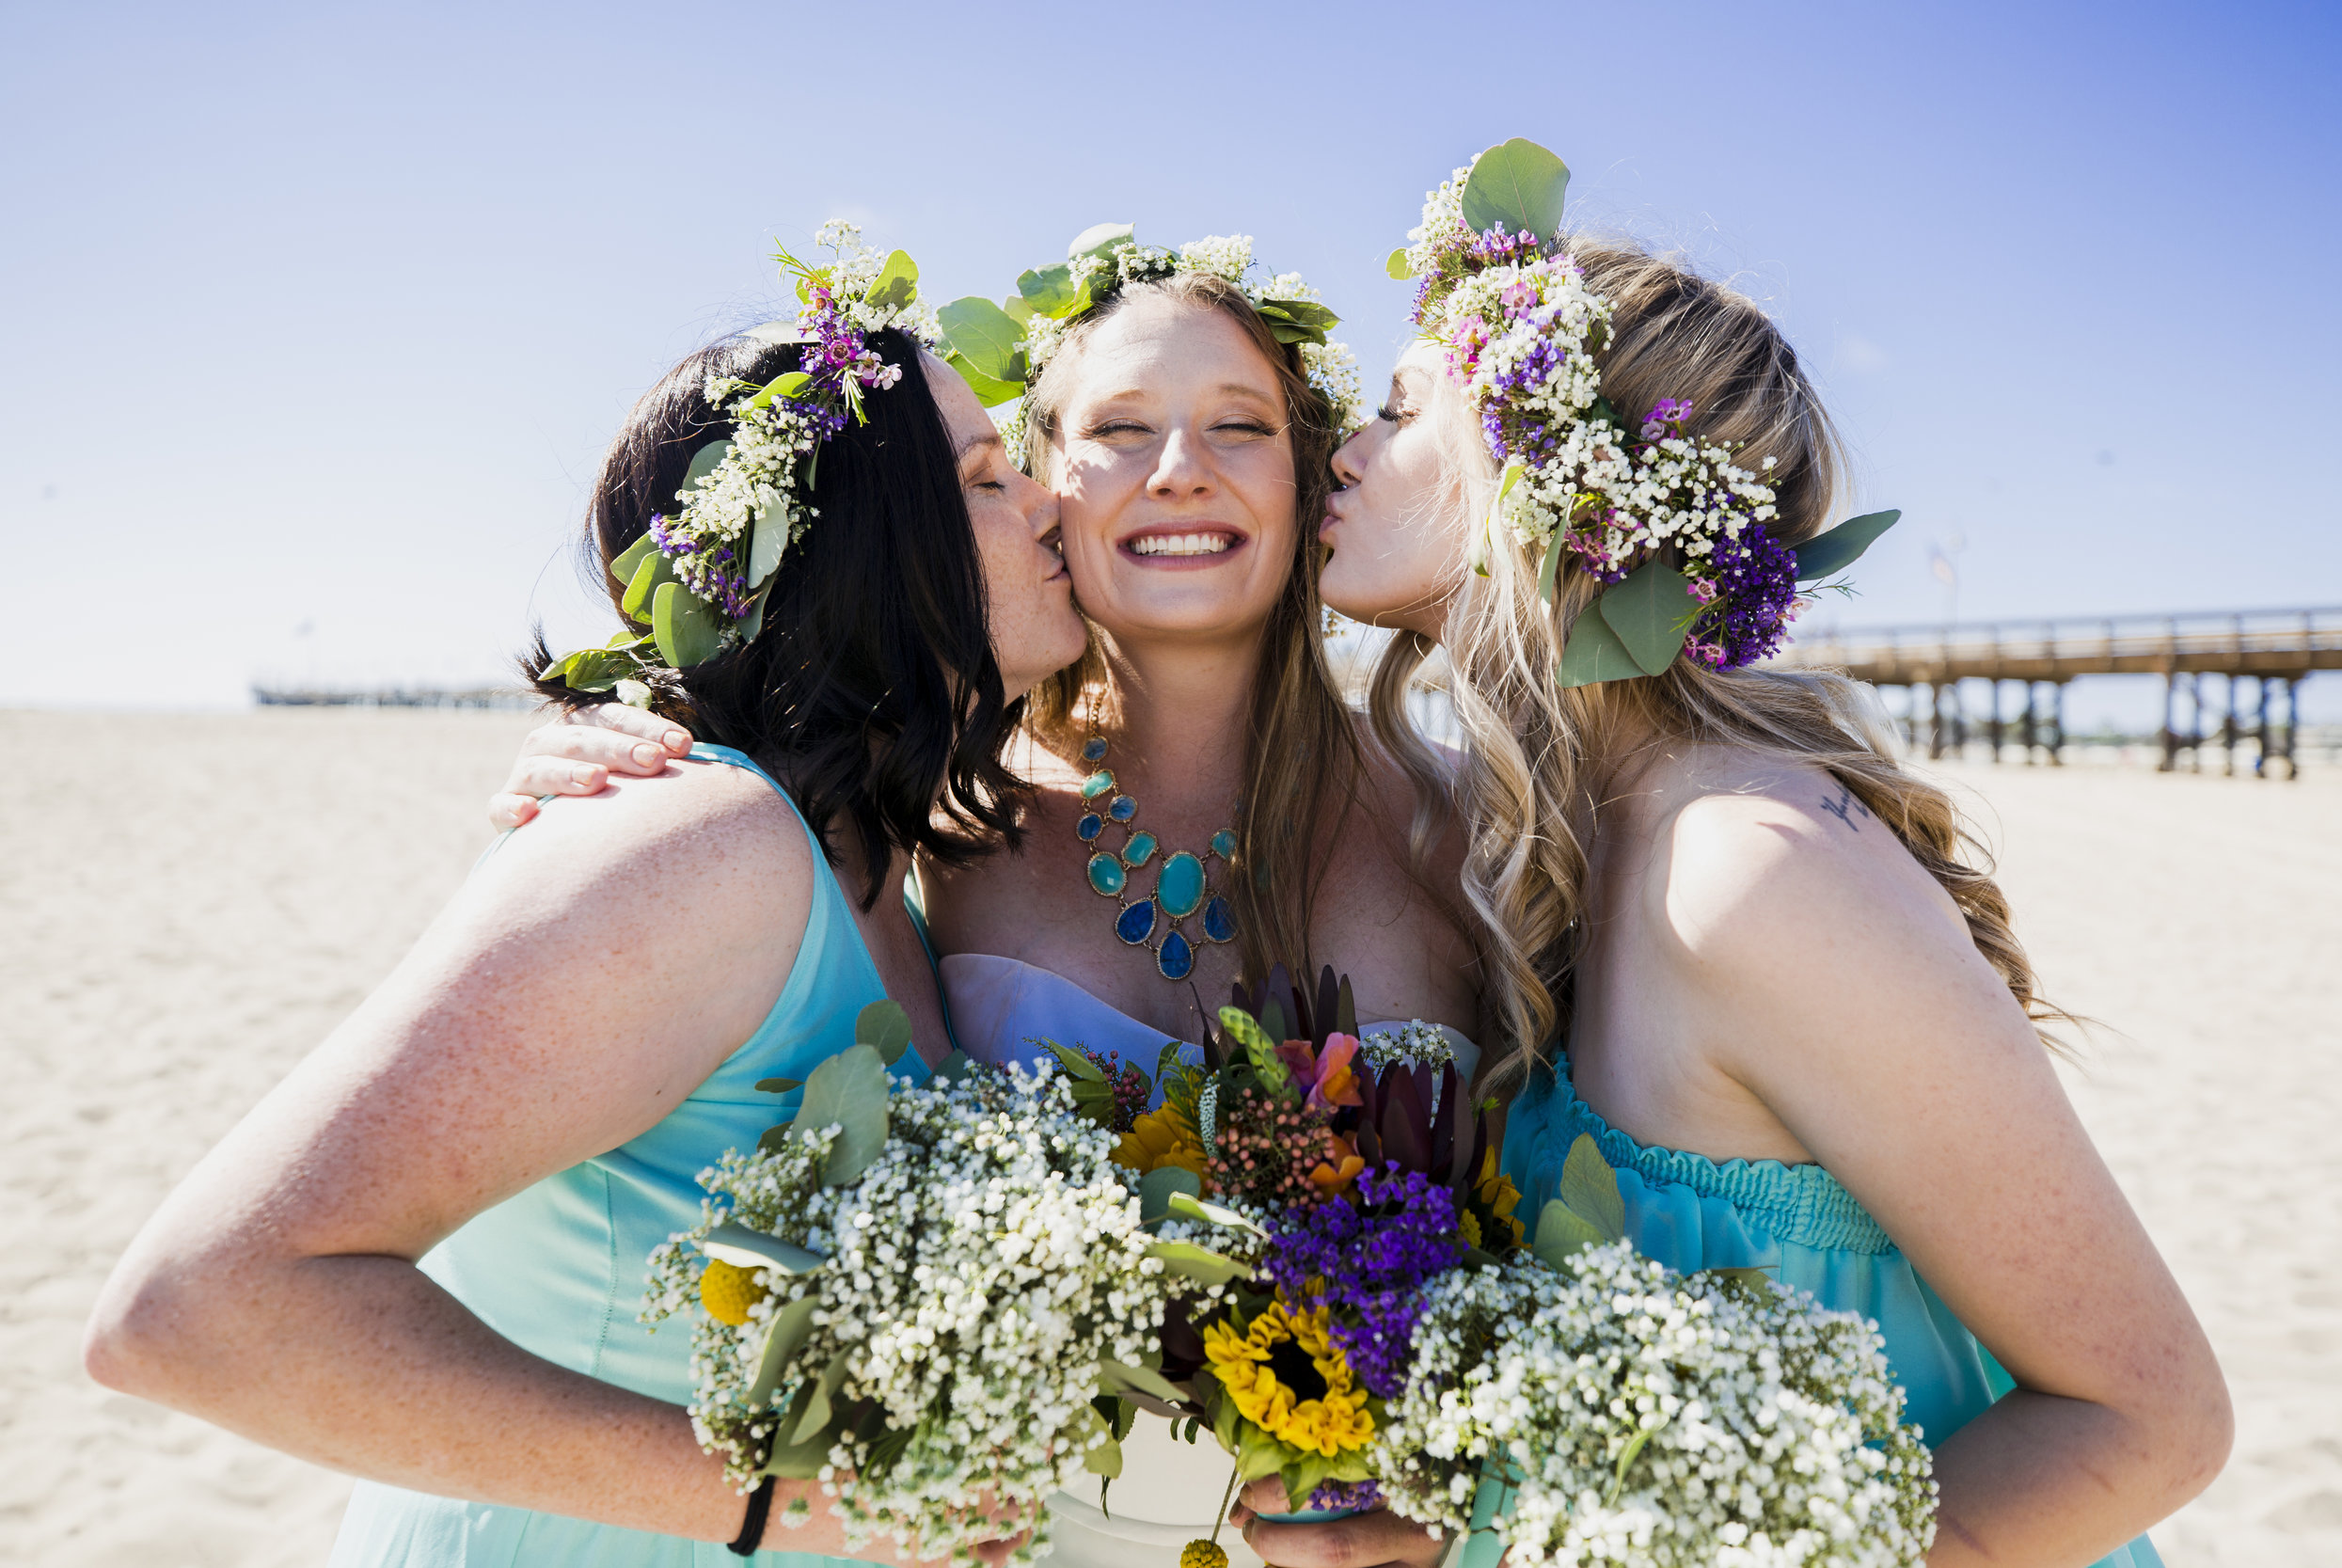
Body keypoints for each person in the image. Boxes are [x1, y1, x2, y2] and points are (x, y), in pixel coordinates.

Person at [1240, 148, 2229, 1568]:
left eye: (1402, 415)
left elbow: (2153, 1422)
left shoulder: (1750, 874)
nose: (1340, 447)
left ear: (1541, 492)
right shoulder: (1567, 840)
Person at [83, 232, 1088, 1566]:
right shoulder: (702, 847)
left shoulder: (892, 887)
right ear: (857, 541)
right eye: (983, 476)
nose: (1047, 503)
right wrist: (786, 1503)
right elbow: (196, 1310)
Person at [485, 230, 1483, 1565]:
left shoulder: (1476, 830)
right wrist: (616, 751)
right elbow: (712, 864)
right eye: (1119, 428)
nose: (1180, 466)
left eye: (1239, 425)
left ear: (1314, 480)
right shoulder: (929, 814)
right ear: (1042, 490)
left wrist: (1465, 1490)